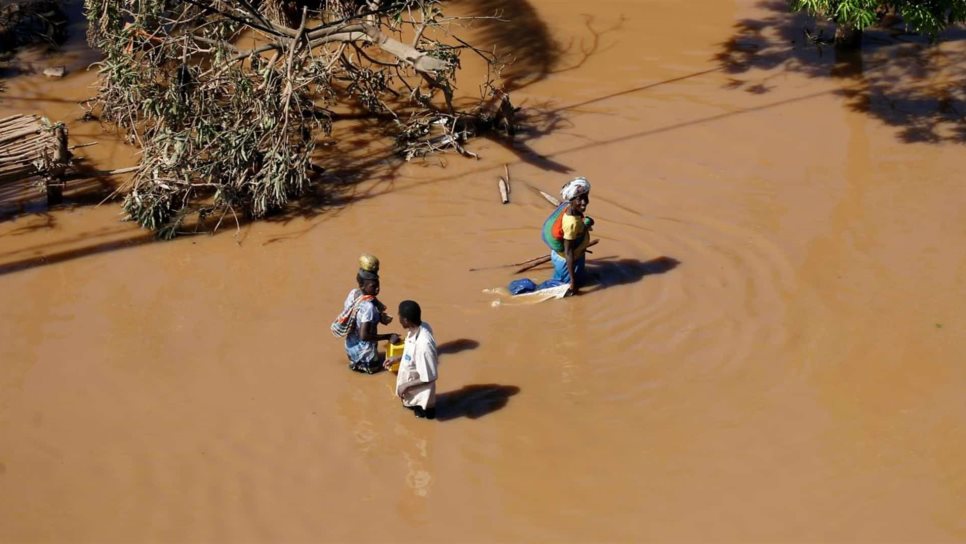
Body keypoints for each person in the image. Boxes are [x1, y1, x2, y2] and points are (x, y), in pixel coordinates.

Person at [335, 254, 398, 374]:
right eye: (374, 286)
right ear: (362, 285)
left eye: (378, 285)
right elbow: (364, 335)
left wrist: (379, 316)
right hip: (366, 355)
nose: (377, 289)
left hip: (350, 349)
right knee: (379, 370)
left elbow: (356, 317)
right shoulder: (368, 307)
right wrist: (388, 337)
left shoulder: (353, 294)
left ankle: (355, 366)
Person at [386, 300, 438, 419]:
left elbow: (429, 377)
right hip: (411, 391)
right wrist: (397, 358)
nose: (398, 318)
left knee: (422, 421)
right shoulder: (418, 327)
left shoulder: (424, 346)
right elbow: (412, 353)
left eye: (399, 315)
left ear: (405, 320)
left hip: (421, 398)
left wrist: (405, 386)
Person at [542, 176, 594, 296]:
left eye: (586, 197)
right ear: (571, 200)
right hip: (566, 260)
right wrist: (572, 281)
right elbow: (568, 252)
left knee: (581, 280)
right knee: (563, 290)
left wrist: (586, 224)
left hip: (576, 254)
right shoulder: (571, 224)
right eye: (579, 199)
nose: (584, 202)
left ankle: (576, 279)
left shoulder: (568, 207)